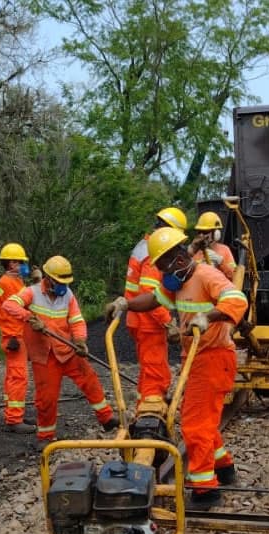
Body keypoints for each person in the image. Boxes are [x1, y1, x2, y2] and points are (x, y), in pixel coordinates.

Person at [107, 228, 248, 509]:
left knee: (195, 425)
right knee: (202, 418)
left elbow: (238, 300)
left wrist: (208, 316)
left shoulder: (206, 275)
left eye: (162, 267)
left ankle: (206, 490)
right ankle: (224, 468)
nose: (160, 273)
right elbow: (155, 299)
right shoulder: (177, 282)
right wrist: (126, 304)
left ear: (178, 259)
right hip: (195, 357)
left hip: (213, 358)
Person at [3, 255, 120, 444]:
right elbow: (9, 305)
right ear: (48, 279)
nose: (63, 286)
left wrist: (81, 340)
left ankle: (106, 418)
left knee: (90, 381)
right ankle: (45, 437)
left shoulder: (68, 295)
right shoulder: (31, 292)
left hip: (67, 349)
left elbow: (76, 320)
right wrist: (29, 317)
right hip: (45, 355)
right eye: (59, 282)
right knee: (46, 399)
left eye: (66, 282)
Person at [124, 207, 184, 401]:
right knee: (155, 372)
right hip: (147, 321)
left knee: (149, 368)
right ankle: (150, 413)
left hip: (139, 319)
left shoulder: (144, 246)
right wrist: (168, 322)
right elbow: (150, 295)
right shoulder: (153, 253)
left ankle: (146, 403)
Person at [0, 243, 35, 433]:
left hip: (16, 334)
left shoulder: (15, 281)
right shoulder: (7, 283)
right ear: (11, 263)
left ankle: (14, 411)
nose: (24, 266)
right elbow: (18, 308)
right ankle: (14, 418)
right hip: (14, 336)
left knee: (13, 376)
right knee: (18, 377)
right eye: (21, 262)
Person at [190, 211, 237, 281]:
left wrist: (221, 261)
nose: (201, 235)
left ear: (216, 233)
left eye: (205, 232)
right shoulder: (195, 252)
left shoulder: (225, 250)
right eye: (200, 232)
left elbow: (234, 276)